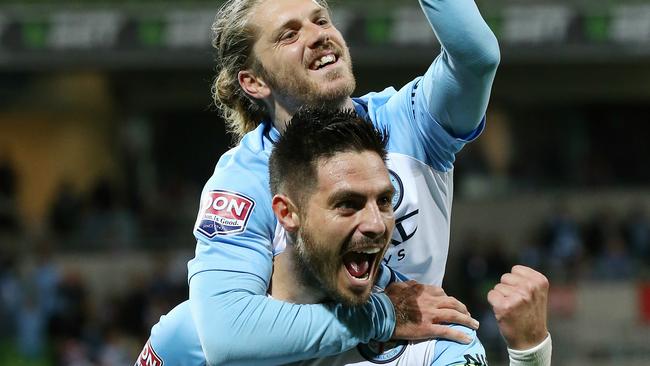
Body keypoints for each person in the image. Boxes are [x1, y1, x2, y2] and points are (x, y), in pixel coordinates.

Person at [190, 0, 500, 363]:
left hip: (416, 353)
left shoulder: (412, 124)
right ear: (254, 81)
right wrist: (383, 315)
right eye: (290, 34)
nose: (318, 35)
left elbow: (476, 58)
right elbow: (227, 333)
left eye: (321, 20)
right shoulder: (244, 179)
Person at [138, 109, 550, 366]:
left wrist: (530, 354)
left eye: (384, 201)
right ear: (287, 213)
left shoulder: (436, 343)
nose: (376, 224)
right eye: (348, 204)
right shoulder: (191, 337)